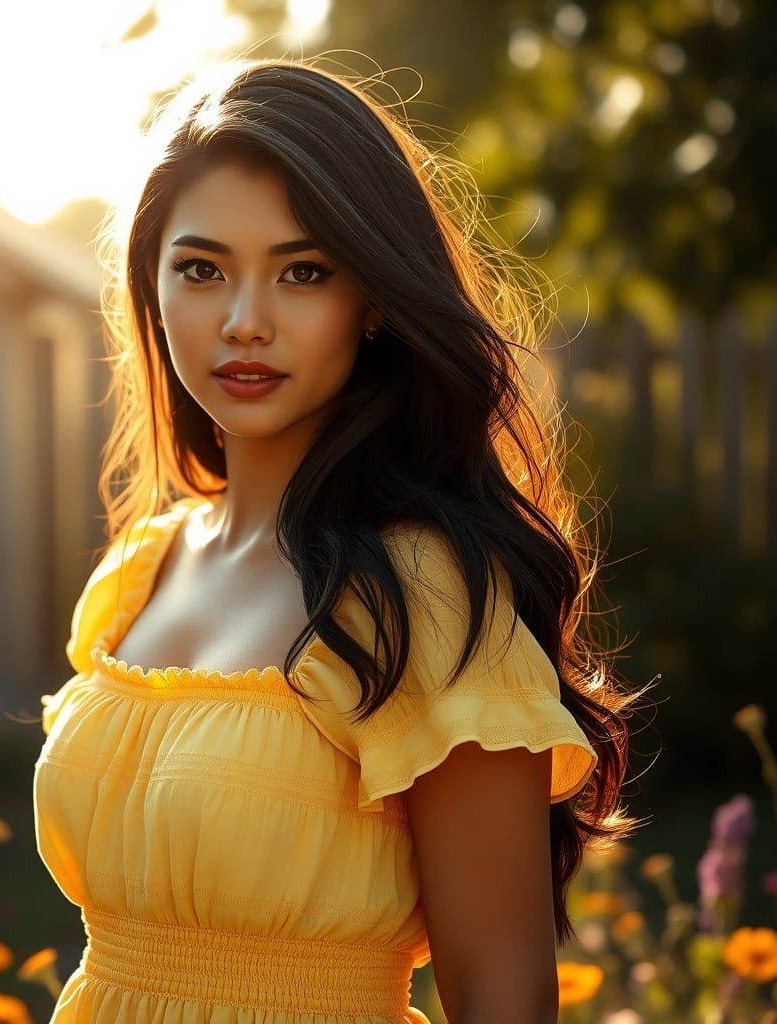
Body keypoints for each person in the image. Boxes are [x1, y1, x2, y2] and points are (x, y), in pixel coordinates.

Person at [32, 56, 650, 1024]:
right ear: (149, 287)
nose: (244, 322)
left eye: (302, 271)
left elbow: (501, 1000)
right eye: (201, 269)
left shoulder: (426, 595)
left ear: (371, 299)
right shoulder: (140, 571)